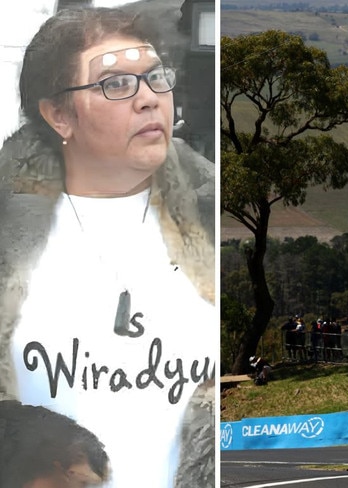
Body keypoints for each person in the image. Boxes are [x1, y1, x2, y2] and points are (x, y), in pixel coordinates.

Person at [0, 7, 216, 488]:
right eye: (116, 84)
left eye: (156, 77)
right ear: (59, 114)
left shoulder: (220, 222)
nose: (149, 100)